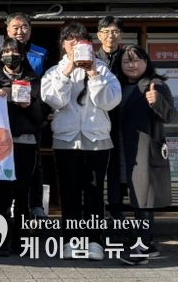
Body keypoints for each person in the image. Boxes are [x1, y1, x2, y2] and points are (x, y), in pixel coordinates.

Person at [41, 22, 121, 260]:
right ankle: (71, 241)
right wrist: (67, 72)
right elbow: (54, 100)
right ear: (63, 45)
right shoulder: (54, 71)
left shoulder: (104, 70)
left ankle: (95, 241)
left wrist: (93, 73)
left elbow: (109, 102)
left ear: (89, 44)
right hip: (66, 140)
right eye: (70, 40)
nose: (75, 45)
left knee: (94, 194)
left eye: (80, 40)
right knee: (70, 194)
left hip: (97, 139)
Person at [115, 46, 174, 265]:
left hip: (143, 152)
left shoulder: (156, 84)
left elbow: (170, 115)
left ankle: (142, 248)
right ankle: (146, 244)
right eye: (126, 61)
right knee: (123, 201)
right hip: (121, 152)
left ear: (146, 62)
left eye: (136, 60)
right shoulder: (117, 86)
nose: (131, 65)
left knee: (143, 202)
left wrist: (156, 101)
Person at [0, 39, 43, 256]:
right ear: (0, 56)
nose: (10, 55)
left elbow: (41, 116)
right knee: (0, 194)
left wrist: (28, 105)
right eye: (6, 51)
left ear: (22, 55)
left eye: (15, 51)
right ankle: (0, 241)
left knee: (22, 193)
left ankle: (21, 240)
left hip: (25, 142)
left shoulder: (33, 80)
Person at [1, 12, 48, 219]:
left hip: (31, 119)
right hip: (5, 124)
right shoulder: (0, 54)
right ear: (7, 30)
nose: (20, 31)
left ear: (30, 29)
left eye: (24, 27)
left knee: (34, 165)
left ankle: (35, 204)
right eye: (15, 27)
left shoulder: (41, 53)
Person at [95, 16, 126, 220]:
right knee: (96, 167)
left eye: (115, 31)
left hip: (121, 120)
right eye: (106, 32)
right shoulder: (91, 58)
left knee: (117, 165)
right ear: (99, 35)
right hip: (97, 119)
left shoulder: (127, 57)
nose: (110, 36)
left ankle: (116, 208)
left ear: (121, 35)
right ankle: (96, 209)